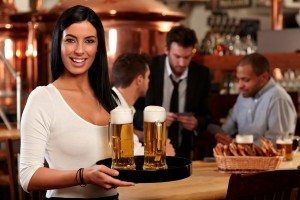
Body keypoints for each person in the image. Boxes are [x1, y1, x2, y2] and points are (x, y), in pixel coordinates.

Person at [19, 5, 134, 199]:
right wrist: (83, 175)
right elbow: (27, 176)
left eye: (89, 41)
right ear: (59, 44)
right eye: (71, 40)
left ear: (98, 48)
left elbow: (128, 157)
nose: (80, 50)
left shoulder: (112, 99)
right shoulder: (43, 98)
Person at [136, 25, 211, 159]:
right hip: (149, 148)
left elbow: (207, 115)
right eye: (177, 56)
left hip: (185, 151)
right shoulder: (150, 69)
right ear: (167, 50)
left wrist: (196, 122)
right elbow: (133, 111)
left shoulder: (202, 74)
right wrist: (155, 119)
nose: (182, 63)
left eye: (187, 57)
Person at [215, 53, 297, 145]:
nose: (240, 85)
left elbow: (276, 142)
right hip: (242, 158)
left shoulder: (278, 98)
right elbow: (227, 128)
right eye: (238, 79)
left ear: (263, 78)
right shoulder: (243, 96)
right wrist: (222, 136)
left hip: (268, 159)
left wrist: (239, 147)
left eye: (246, 80)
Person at [111, 53, 175, 156]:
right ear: (139, 80)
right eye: (148, 77)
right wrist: (164, 152)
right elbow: (132, 155)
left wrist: (139, 135)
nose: (149, 81)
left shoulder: (115, 101)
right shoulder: (117, 109)